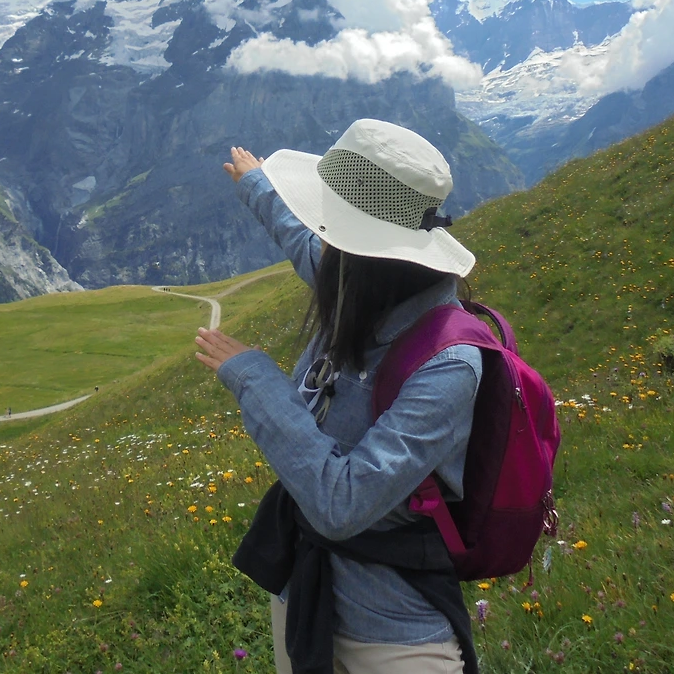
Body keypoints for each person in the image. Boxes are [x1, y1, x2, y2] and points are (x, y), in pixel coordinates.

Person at [194, 119, 482, 674]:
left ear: (373, 255)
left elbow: (340, 504)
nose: (320, 237)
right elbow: (302, 243)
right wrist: (257, 185)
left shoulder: (450, 365)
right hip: (305, 598)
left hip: (392, 635)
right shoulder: (361, 287)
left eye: (333, 228)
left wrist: (253, 376)